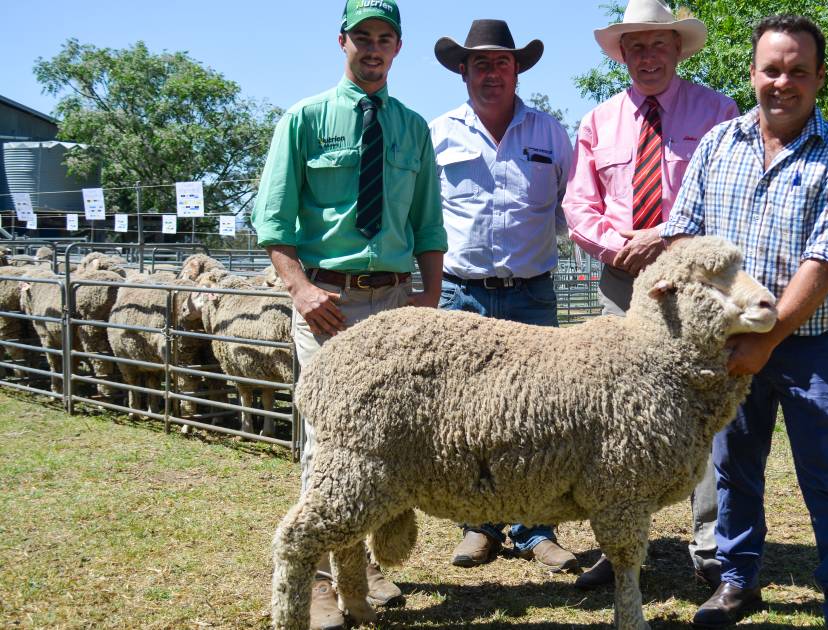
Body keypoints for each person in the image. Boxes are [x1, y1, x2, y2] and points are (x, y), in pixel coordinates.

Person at [660, 14, 828, 630]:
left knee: (827, 471)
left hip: (810, 345)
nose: (783, 82)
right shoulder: (717, 145)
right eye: (772, 70)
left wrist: (768, 341)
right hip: (729, 343)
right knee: (734, 468)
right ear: (752, 74)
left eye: (798, 71)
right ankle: (737, 580)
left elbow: (824, 264)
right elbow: (685, 232)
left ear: (819, 78)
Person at [250, 1, 446, 628]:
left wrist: (429, 294)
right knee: (326, 443)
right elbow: (274, 219)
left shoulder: (413, 128)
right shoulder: (304, 120)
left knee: (386, 441)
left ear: (398, 49)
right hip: (326, 305)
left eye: (385, 39)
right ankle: (320, 579)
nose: (373, 49)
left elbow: (428, 223)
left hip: (392, 303)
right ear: (342, 42)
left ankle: (360, 567)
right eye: (363, 37)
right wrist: (300, 289)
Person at [562, 0, 739, 590]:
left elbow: (724, 198)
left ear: (678, 48)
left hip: (694, 288)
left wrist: (663, 238)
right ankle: (619, 543)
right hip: (623, 285)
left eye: (658, 44)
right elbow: (579, 205)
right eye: (634, 46)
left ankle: (711, 544)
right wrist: (619, 248)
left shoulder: (718, 112)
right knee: (618, 416)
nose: (647, 56)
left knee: (700, 407)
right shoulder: (598, 122)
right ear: (622, 54)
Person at [428, 19, 578, 574]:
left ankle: (537, 528)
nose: (492, 73)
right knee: (466, 414)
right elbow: (422, 215)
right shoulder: (437, 133)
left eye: (502, 62)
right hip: (460, 293)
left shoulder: (551, 134)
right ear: (462, 71)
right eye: (480, 63)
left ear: (517, 70)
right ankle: (479, 526)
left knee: (538, 416)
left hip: (530, 292)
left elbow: (575, 204)